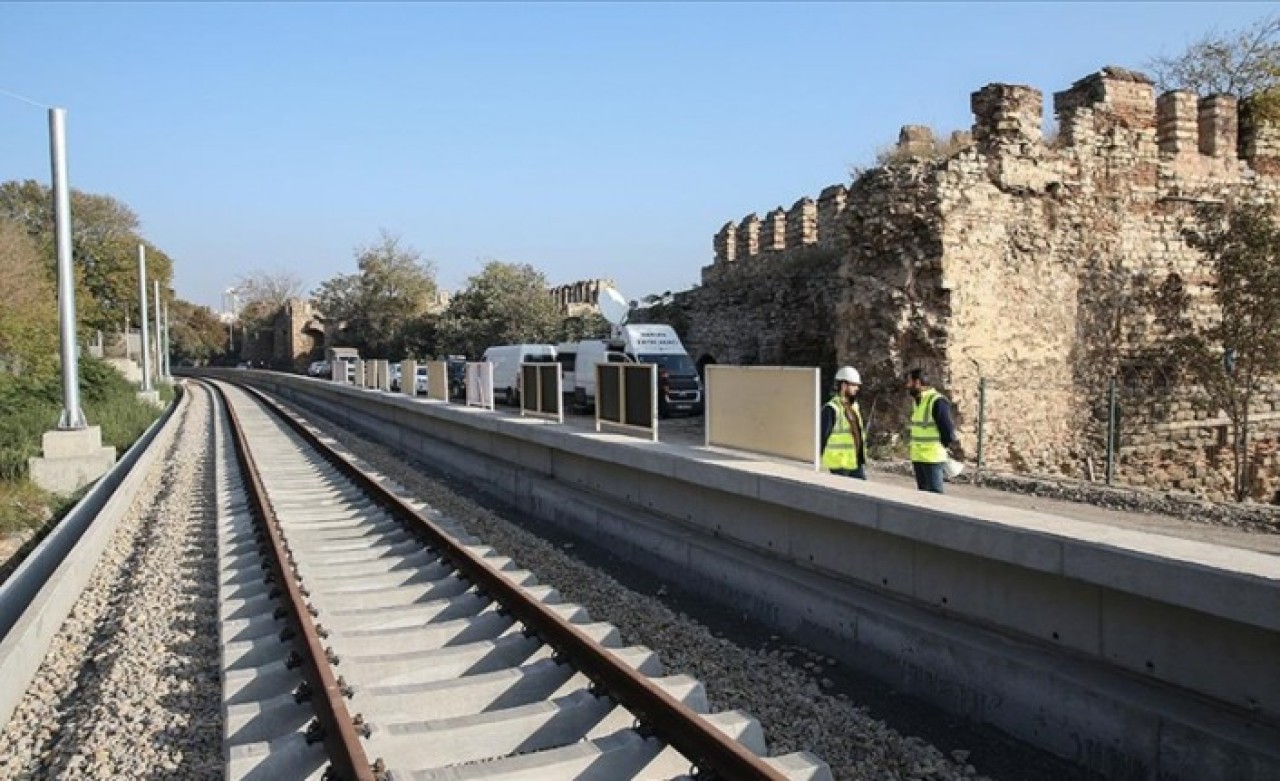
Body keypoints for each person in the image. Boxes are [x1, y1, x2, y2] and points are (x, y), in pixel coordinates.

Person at [905, 369, 959, 494]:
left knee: (935, 497)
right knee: (923, 497)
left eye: (909, 382)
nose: (907, 385)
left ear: (917, 383)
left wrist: (944, 446)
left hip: (933, 458)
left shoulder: (937, 401)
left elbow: (947, 430)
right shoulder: (918, 401)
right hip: (918, 457)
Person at [821, 366, 868, 479]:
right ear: (843, 385)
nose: (857, 388)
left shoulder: (854, 407)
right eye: (854, 385)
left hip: (855, 461)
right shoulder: (832, 408)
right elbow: (822, 436)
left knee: (863, 489)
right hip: (839, 463)